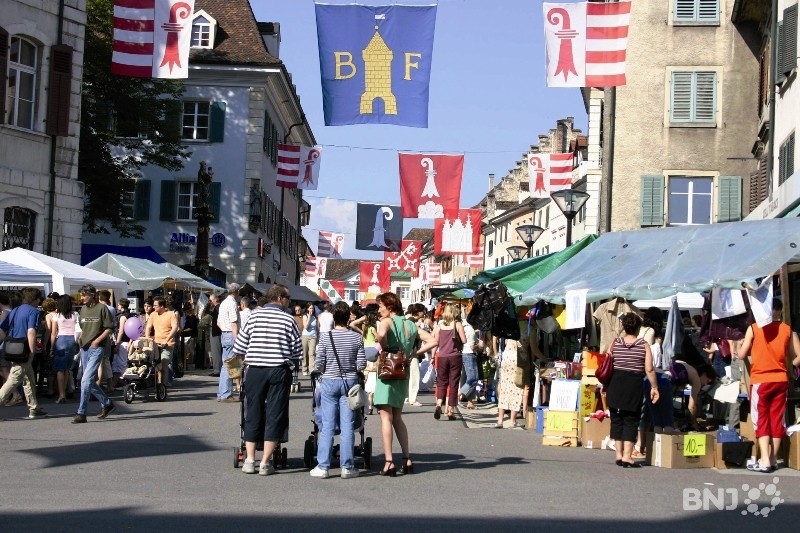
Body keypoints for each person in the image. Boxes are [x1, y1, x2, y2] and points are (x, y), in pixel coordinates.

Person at [233, 284, 301, 475]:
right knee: (275, 413)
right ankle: (265, 462)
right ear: (280, 298)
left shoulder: (254, 316)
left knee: (252, 411)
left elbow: (239, 345)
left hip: (254, 369)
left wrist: (246, 361)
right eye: (288, 298)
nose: (289, 302)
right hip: (278, 369)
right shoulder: (288, 319)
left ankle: (249, 459)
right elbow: (296, 350)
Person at [735, 298, 800, 473]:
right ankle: (773, 458)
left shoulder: (754, 328)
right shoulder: (787, 330)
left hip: (760, 379)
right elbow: (796, 358)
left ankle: (764, 459)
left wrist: (739, 346)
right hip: (780, 379)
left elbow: (741, 355)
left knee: (761, 418)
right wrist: (784, 362)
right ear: (779, 311)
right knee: (777, 418)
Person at [310, 301, 367, 479]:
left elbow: (319, 362)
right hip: (349, 383)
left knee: (327, 425)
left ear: (334, 318)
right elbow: (362, 364)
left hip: (329, 382)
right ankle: (347, 467)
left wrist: (322, 368)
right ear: (348, 318)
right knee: (347, 426)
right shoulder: (356, 338)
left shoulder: (326, 337)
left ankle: (323, 466)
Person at [374, 291, 419, 476]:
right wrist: (412, 354)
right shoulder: (410, 324)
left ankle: (389, 461)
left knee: (386, 416)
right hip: (402, 370)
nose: (379, 310)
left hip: (387, 371)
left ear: (389, 307)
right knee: (398, 418)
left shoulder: (387, 321)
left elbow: (381, 334)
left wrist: (383, 344)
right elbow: (433, 340)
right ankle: (407, 458)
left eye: (381, 306)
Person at [606, 312, 659, 467]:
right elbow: (649, 369)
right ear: (638, 328)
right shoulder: (643, 345)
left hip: (615, 383)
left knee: (616, 419)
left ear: (624, 326)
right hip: (633, 385)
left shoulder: (615, 342)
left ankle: (618, 455)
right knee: (631, 420)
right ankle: (627, 456)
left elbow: (608, 362)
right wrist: (654, 387)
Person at [0, 287, 47, 418]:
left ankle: (34, 407)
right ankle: (33, 408)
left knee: (29, 379)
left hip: (12, 348)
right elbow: (31, 331)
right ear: (36, 299)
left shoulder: (15, 310)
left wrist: (8, 341)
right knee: (14, 379)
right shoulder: (34, 312)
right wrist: (32, 350)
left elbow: (2, 329)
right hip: (24, 349)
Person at [72, 285, 115, 423]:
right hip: (84, 347)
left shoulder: (102, 309)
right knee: (87, 380)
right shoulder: (83, 310)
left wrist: (97, 341)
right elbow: (84, 327)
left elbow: (109, 329)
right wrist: (81, 337)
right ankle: (107, 403)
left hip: (97, 347)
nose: (82, 298)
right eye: (81, 295)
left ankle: (81, 413)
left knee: (85, 380)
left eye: (84, 295)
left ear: (92, 295)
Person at [432, 303, 467, 420]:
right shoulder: (457, 324)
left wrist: (432, 357)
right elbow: (464, 340)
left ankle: (438, 404)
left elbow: (435, 343)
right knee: (453, 384)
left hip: (441, 356)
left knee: (441, 382)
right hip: (455, 357)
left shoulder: (439, 326)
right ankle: (450, 410)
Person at [50, 294, 79, 404]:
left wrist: (51, 347)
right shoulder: (75, 314)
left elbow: (53, 333)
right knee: (67, 368)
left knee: (59, 369)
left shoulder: (56, 316)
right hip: (72, 340)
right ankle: (65, 393)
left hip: (61, 340)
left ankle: (61, 394)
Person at [145, 296, 178, 391]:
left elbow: (175, 327)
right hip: (156, 344)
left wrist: (167, 340)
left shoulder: (171, 314)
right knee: (154, 365)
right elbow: (148, 327)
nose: (153, 307)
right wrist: (147, 338)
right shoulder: (153, 314)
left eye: (155, 305)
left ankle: (162, 386)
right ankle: (157, 384)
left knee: (163, 364)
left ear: (162, 306)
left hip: (167, 344)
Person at [494, 338, 525, 429]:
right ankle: (512, 421)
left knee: (504, 388)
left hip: (506, 359)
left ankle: (500, 420)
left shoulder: (507, 329)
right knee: (516, 389)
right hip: (517, 360)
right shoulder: (526, 330)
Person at [217, 283, 241, 402]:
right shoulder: (232, 303)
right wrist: (236, 339)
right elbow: (234, 323)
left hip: (224, 333)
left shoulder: (223, 303)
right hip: (231, 334)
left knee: (225, 365)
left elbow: (218, 322)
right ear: (236, 292)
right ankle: (226, 394)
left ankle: (222, 393)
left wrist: (225, 332)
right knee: (230, 365)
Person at [0, 291, 24, 406]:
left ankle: (14, 394)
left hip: (4, 345)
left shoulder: (5, 312)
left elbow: (1, 330)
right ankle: (7, 396)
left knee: (4, 370)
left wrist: (5, 341)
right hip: (12, 344)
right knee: (8, 370)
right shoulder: (14, 312)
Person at [111, 298, 132, 391]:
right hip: (128, 341)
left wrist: (117, 343)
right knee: (119, 363)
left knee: (121, 364)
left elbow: (121, 331)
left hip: (123, 342)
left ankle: (124, 383)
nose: (117, 306)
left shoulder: (123, 316)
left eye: (118, 305)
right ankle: (114, 384)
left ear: (121, 305)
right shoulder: (131, 315)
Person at [459, 317, 479, 410]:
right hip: (469, 354)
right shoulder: (470, 330)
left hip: (464, 353)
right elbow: (472, 346)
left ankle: (469, 401)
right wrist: (478, 345)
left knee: (468, 377)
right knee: (472, 378)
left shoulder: (463, 327)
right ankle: (459, 393)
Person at [301, 303, 319, 376]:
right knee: (305, 353)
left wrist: (317, 336)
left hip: (313, 336)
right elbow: (306, 326)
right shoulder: (305, 316)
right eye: (310, 308)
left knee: (312, 353)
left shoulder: (315, 317)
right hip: (305, 336)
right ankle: (304, 369)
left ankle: (311, 369)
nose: (312, 309)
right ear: (307, 309)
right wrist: (309, 317)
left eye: (312, 308)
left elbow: (317, 328)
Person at [208, 294, 222, 377]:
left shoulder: (217, 308)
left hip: (216, 332)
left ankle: (217, 370)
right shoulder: (217, 308)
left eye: (211, 300)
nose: (210, 302)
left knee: (216, 352)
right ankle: (218, 369)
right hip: (217, 332)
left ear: (215, 299)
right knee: (217, 352)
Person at [181, 302, 198, 371]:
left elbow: (191, 327)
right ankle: (189, 363)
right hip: (187, 336)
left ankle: (191, 363)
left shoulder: (192, 318)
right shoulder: (188, 317)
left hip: (191, 336)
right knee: (188, 350)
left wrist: (183, 331)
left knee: (191, 351)